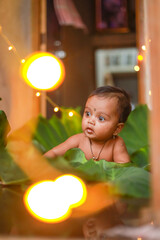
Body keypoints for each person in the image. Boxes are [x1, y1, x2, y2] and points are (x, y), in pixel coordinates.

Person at [44, 86, 131, 163]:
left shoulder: (116, 144)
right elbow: (54, 153)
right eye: (88, 114)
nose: (90, 121)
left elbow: (124, 168)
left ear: (117, 129)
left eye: (101, 118)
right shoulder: (78, 140)